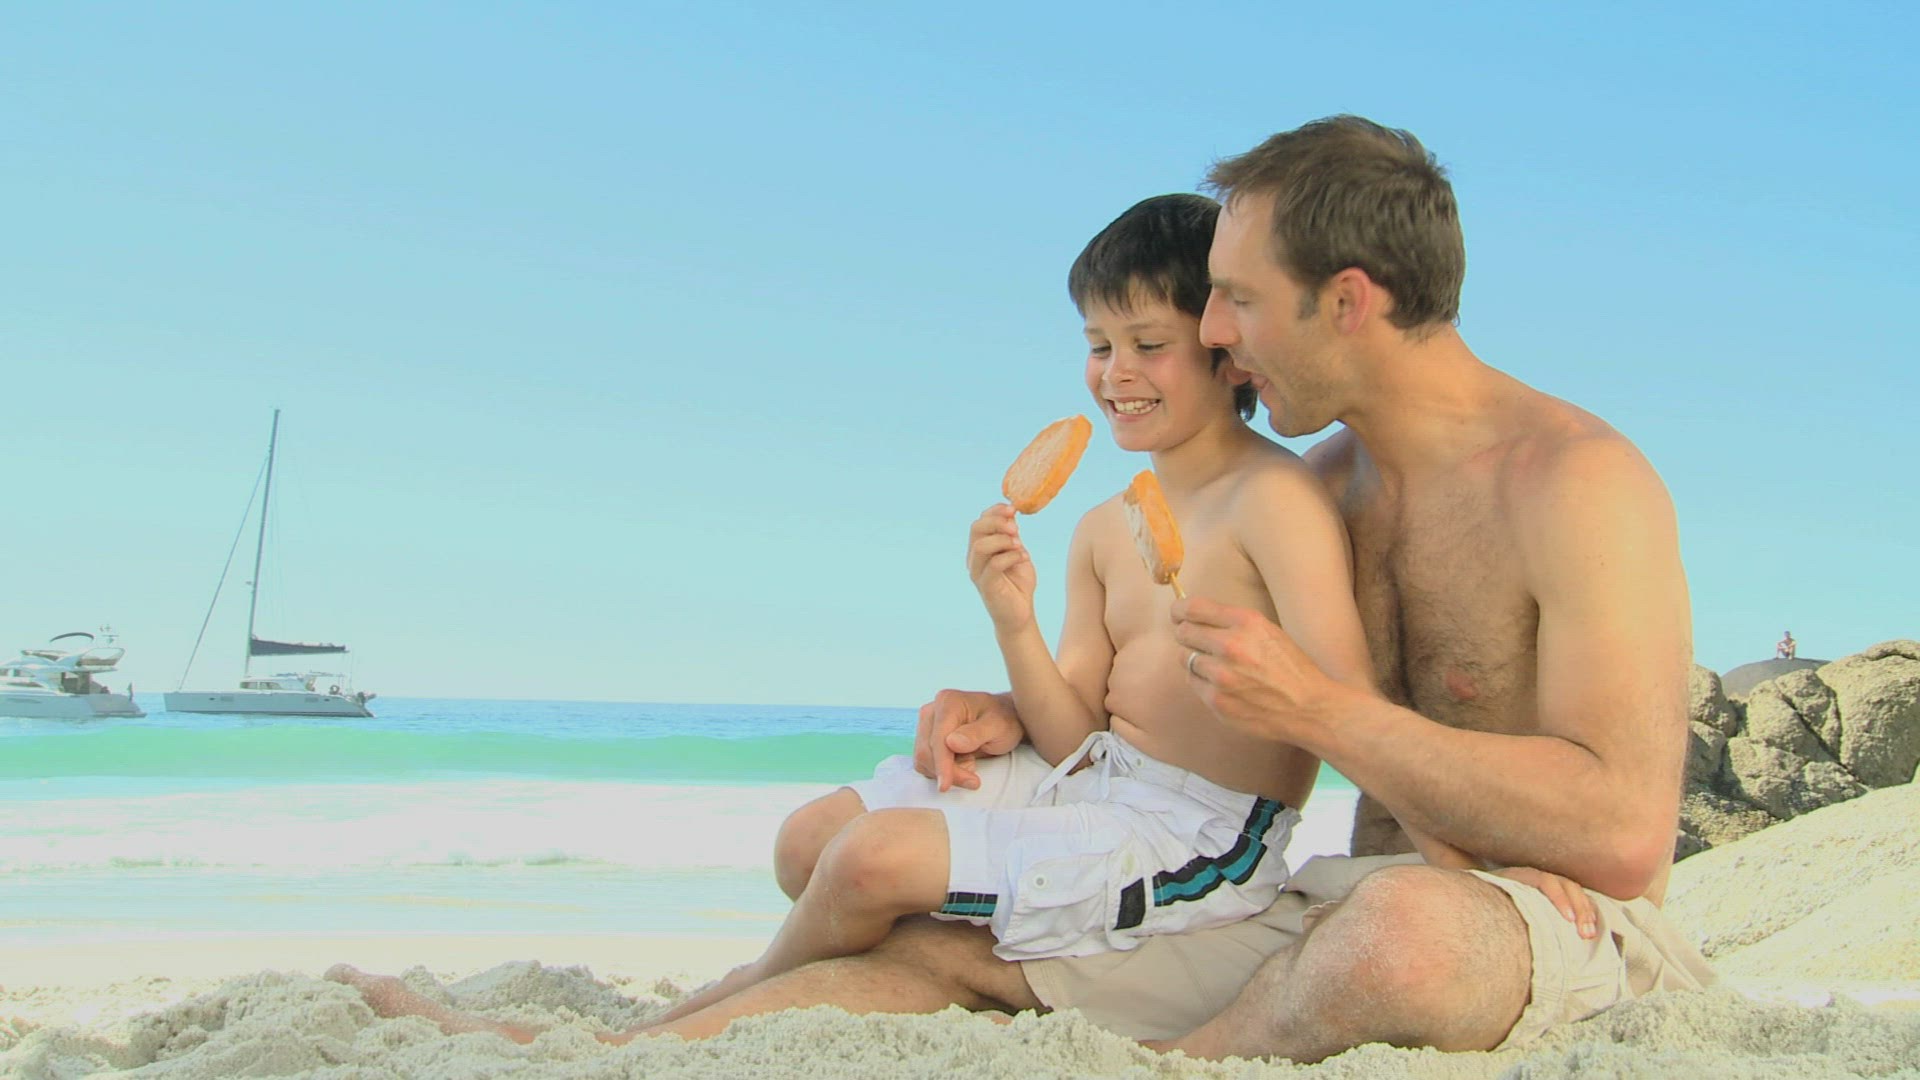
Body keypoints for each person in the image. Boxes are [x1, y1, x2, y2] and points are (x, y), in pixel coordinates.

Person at [336, 116, 1708, 1058]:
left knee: (1403, 937)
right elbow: (1190, 702)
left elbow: (1624, 832)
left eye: (1233, 301)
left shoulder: (1574, 486)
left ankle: (1185, 1063)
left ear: (1346, 301)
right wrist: (1017, 703)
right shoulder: (1327, 482)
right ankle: (590, 1050)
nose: (1212, 332)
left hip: (1537, 920)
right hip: (1331, 901)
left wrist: (1323, 716)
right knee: (945, 949)